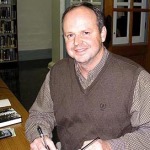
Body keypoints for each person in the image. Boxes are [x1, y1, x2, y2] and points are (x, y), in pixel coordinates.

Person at [25, 2, 150, 150]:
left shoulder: (136, 78)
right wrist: (40, 137)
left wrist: (109, 146)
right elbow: (39, 114)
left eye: (86, 33)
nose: (77, 42)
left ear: (102, 34)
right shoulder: (57, 73)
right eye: (70, 35)